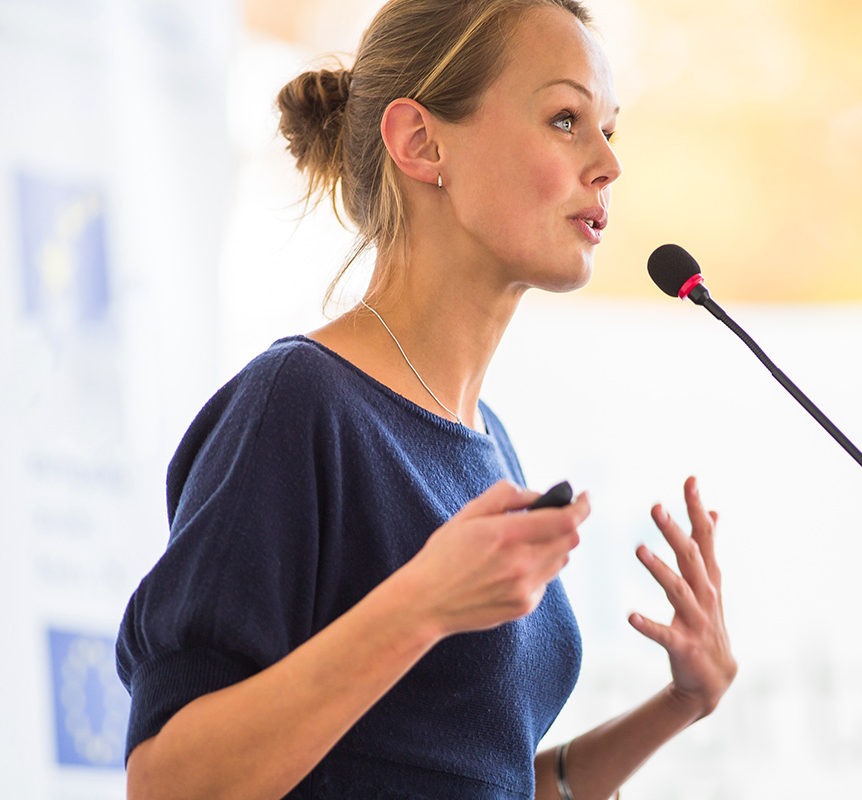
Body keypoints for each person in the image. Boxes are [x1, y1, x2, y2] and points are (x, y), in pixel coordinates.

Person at [115, 1, 737, 799]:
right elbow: (167, 784)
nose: (608, 163)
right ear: (421, 143)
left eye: (608, 129)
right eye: (564, 118)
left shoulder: (490, 441)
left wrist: (682, 703)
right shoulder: (299, 407)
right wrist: (420, 608)